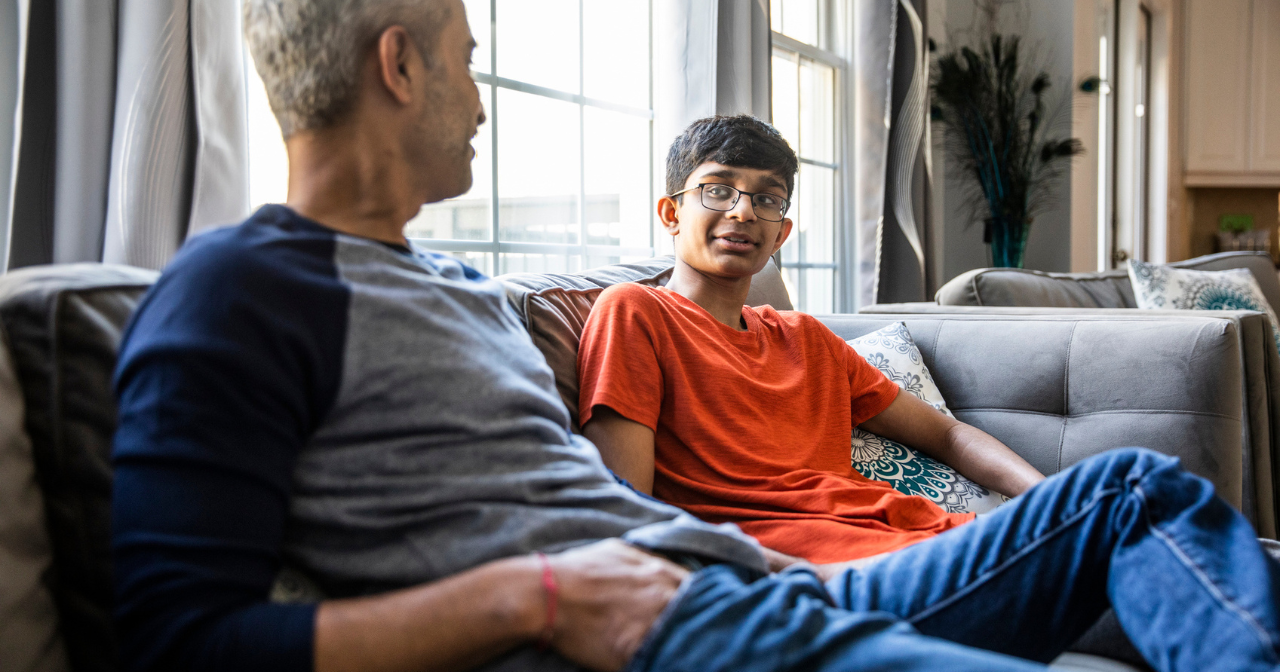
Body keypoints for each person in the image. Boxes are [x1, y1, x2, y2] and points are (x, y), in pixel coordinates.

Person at [110, 1, 1280, 671]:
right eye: (467, 62)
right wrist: (537, 598)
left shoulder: (452, 289)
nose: (480, 101)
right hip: (673, 622)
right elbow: (175, 635)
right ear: (399, 65)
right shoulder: (237, 289)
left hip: (759, 587)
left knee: (1129, 489)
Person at [577, 117, 1043, 565]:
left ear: (780, 235)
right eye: (717, 190)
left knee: (1087, 500)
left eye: (767, 199)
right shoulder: (635, 311)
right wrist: (816, 579)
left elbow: (949, 435)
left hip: (930, 539)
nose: (742, 211)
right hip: (843, 572)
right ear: (671, 213)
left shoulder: (805, 338)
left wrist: (1044, 499)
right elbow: (629, 518)